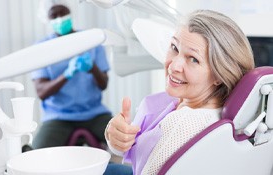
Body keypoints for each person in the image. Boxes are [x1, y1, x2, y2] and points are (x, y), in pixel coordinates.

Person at [104, 9, 255, 174]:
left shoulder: (184, 123)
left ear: (219, 74)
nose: (173, 65)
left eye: (193, 59)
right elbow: (133, 147)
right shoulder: (187, 103)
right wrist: (116, 137)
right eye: (174, 47)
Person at [31, 4, 112, 149]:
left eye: (63, 14)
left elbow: (103, 84)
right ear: (48, 20)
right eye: (54, 16)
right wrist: (66, 75)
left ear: (71, 14)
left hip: (94, 114)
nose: (60, 19)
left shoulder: (91, 41)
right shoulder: (41, 48)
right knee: (36, 153)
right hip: (58, 117)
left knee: (129, 143)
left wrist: (93, 68)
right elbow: (41, 92)